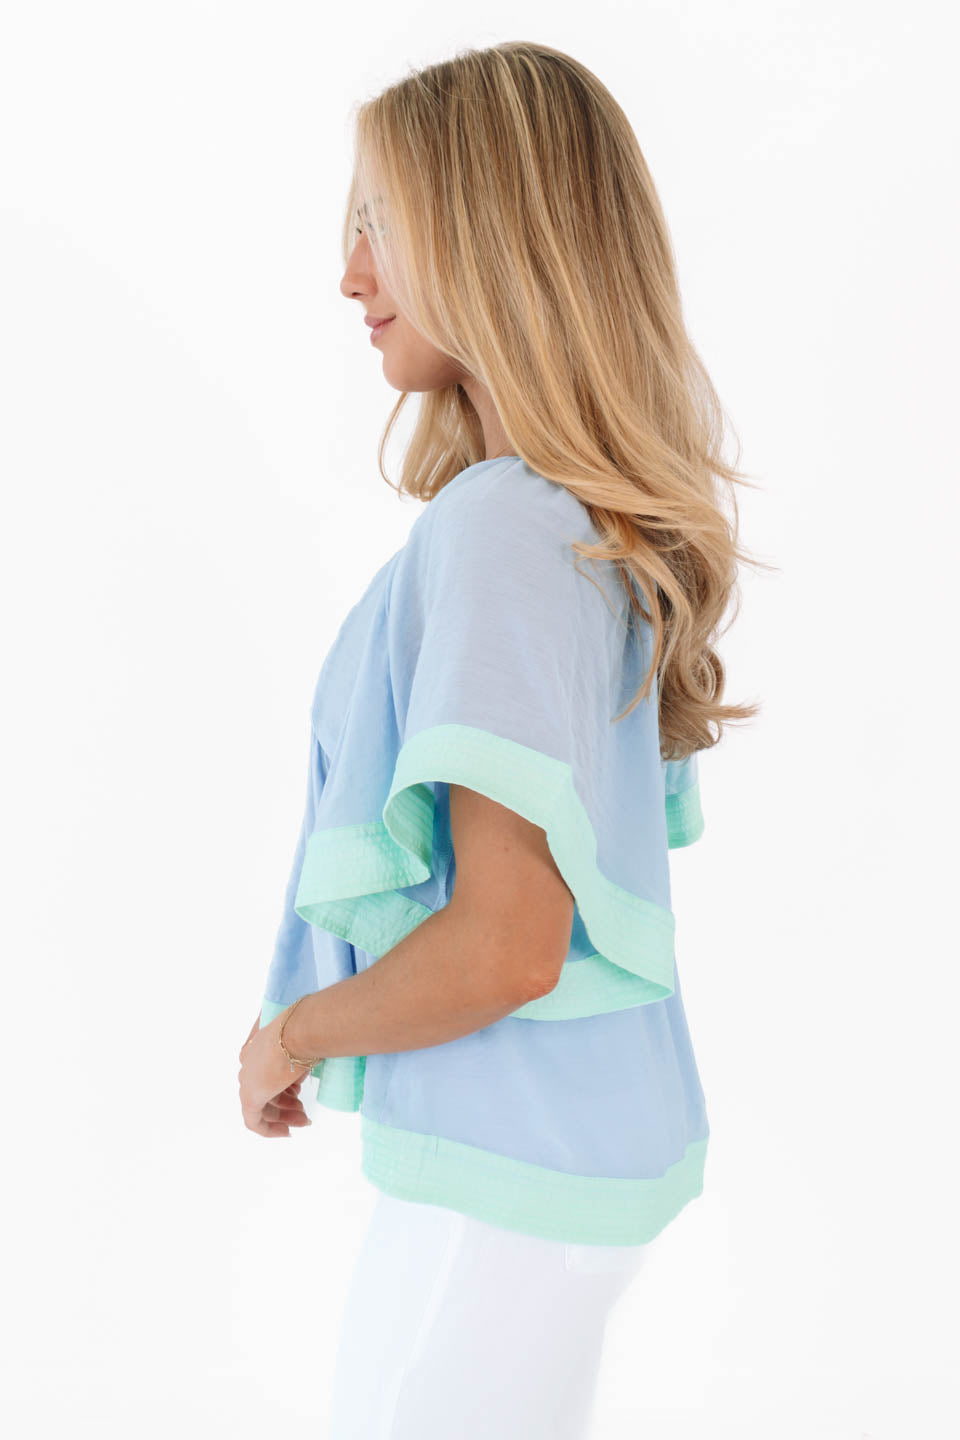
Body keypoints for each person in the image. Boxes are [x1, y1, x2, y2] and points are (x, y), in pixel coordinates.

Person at [237, 40, 761, 1439]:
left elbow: (507, 944)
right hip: (567, 1174)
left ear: (489, 239)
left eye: (381, 223)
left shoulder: (502, 529)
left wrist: (292, 1034)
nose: (350, 273)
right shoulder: (581, 525)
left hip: (497, 1194)